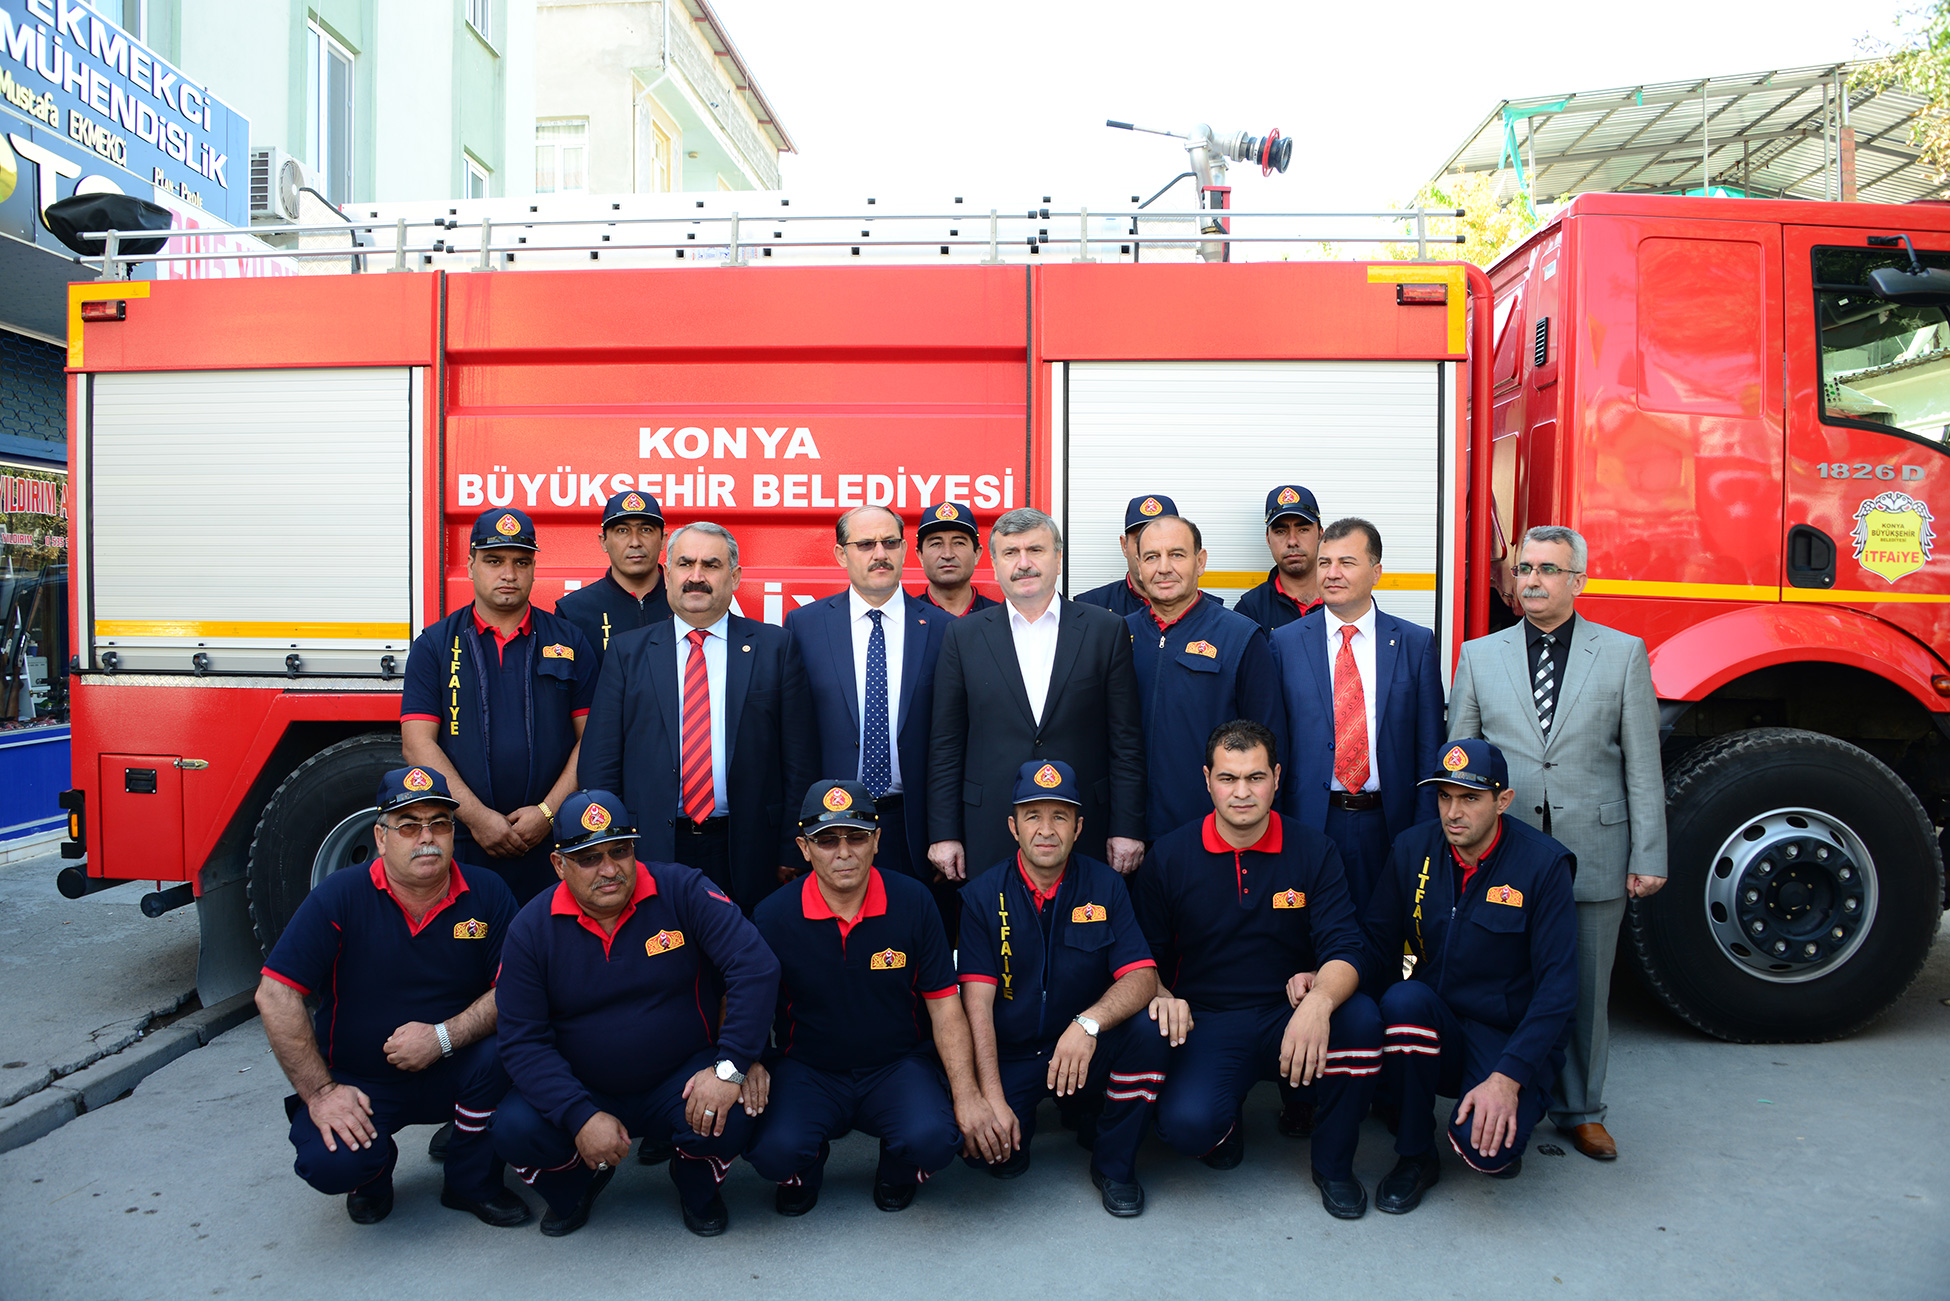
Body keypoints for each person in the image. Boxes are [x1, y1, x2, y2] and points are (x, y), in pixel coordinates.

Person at [1448, 524, 1666, 1164]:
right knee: (1506, 981)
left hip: (1594, 850)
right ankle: (1507, 1091)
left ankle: (1582, 1110)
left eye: (1548, 569)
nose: (1533, 581)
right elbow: (1461, 762)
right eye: (1524, 570)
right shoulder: (1479, 656)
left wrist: (1648, 853)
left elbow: (1642, 763)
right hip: (1503, 856)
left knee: (1585, 991)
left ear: (1578, 580)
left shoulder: (1623, 654)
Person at [491, 790, 780, 1238]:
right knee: (512, 1128)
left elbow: (755, 966)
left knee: (736, 1110)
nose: (609, 869)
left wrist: (731, 1066)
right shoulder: (531, 928)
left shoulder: (682, 888)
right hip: (585, 1083)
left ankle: (695, 1186)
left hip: (679, 1077)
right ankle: (576, 1183)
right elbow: (522, 1039)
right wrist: (578, 1116)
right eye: (587, 857)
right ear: (558, 864)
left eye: (619, 850)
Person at [1134, 719, 1383, 1220]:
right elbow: (1142, 956)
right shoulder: (1170, 857)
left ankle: (1333, 1166)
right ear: (1207, 779)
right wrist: (1161, 993)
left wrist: (1318, 1001)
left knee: (1360, 1019)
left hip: (1287, 1017)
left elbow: (1346, 948)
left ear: (1276, 777)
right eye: (1228, 778)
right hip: (1207, 1021)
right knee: (1186, 1127)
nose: (1241, 793)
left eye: (1255, 777)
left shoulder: (1315, 850)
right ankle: (1225, 1119)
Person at [255, 766, 525, 1228]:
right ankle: (373, 1173)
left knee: (513, 1060)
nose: (427, 837)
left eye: (439, 823)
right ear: (381, 838)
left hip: (458, 1065)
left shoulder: (488, 892)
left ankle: (470, 1181)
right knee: (332, 1163)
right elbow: (276, 992)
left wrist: (442, 1037)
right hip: (362, 1081)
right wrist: (321, 1094)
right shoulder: (339, 896)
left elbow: (516, 990)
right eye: (408, 825)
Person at [745, 780, 1007, 1214]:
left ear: (877, 840)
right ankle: (805, 1166)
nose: (843, 852)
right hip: (809, 1070)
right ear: (804, 849)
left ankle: (897, 1169)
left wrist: (968, 1095)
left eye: (856, 836)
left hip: (896, 1066)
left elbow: (944, 1007)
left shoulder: (914, 901)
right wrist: (749, 1062)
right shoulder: (772, 916)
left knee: (936, 1141)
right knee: (774, 1152)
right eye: (826, 840)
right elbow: (746, 1004)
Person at [1361, 739, 1578, 1212]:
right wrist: (1326, 981)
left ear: (1503, 800)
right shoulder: (1412, 848)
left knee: (1489, 1153)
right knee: (1403, 1000)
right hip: (1437, 1024)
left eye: (1470, 797)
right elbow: (1376, 944)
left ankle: (1503, 1108)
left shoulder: (1543, 865)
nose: (1453, 812)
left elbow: (1558, 991)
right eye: (1444, 796)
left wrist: (1509, 1077)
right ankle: (1415, 1155)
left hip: (1506, 1036)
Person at [958, 760, 1168, 1217]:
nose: (1046, 830)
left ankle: (1114, 1165)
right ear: (1014, 827)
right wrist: (991, 1096)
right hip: (1016, 1054)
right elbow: (976, 1006)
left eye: (1060, 816)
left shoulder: (1106, 885)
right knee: (991, 1156)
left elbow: (1141, 975)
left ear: (1079, 827)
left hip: (1085, 1047)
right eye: (1033, 816)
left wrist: (1087, 1024)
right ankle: (1049, 1112)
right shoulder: (980, 896)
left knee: (1150, 1033)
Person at [579, 521, 816, 913]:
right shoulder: (627, 653)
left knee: (745, 961)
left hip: (749, 849)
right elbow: (601, 763)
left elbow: (800, 761)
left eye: (711, 565)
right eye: (685, 564)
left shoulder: (775, 648)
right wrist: (609, 848)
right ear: (667, 574)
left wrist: (793, 845)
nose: (696, 577)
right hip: (650, 848)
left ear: (735, 576)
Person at [927, 507, 1146, 883]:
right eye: (1011, 553)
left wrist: (1127, 827)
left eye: (1036, 551)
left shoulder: (1105, 630)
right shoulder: (962, 637)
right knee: (998, 936)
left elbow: (1125, 741)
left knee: (1082, 934)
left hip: (1083, 826)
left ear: (1058, 558)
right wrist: (945, 833)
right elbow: (946, 744)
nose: (1023, 564)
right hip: (989, 825)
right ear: (994, 563)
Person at [401, 507, 598, 903]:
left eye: (521, 562)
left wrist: (546, 813)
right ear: (471, 565)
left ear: (533, 568)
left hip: (553, 842)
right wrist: (477, 818)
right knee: (469, 950)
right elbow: (417, 745)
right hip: (466, 840)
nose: (509, 574)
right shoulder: (436, 645)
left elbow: (593, 740)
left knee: (547, 952)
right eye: (494, 561)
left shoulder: (570, 641)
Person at [1273, 517, 1443, 911]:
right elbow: (1275, 741)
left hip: (1387, 823)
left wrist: (1420, 832)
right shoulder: (1283, 643)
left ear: (1376, 572)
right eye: (1324, 562)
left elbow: (1428, 744)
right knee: (1310, 935)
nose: (1332, 574)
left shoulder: (1415, 643)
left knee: (1382, 936)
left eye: (1346, 563)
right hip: (1311, 820)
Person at [785, 506, 949, 883]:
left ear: (905, 549)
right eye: (865, 544)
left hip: (914, 826)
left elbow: (953, 742)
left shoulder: (943, 629)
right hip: (831, 826)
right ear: (841, 554)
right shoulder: (805, 626)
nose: (880, 554)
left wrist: (946, 832)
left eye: (890, 543)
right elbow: (792, 740)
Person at [1125, 514, 1284, 841]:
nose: (1164, 567)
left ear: (1201, 562)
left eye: (1177, 555)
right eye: (1152, 557)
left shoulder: (1240, 637)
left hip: (1212, 835)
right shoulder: (1116, 636)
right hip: (1131, 836)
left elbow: (1269, 742)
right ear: (1138, 566)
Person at [554, 490, 671, 668]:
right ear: (603, 541)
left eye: (645, 530)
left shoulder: (690, 602)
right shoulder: (573, 611)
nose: (635, 542)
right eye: (622, 530)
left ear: (663, 540)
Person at [1235, 485, 1326, 634]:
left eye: (1303, 529)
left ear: (1320, 535)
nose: (1292, 541)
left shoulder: (1345, 598)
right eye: (1280, 531)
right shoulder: (1250, 609)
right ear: (1268, 539)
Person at [1073, 493, 1178, 617]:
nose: (1153, 550)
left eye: (1165, 539)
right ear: (1124, 545)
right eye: (1141, 540)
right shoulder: (1090, 606)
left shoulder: (1206, 612)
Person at [913, 501, 999, 616]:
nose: (947, 555)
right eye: (936, 544)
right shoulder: (905, 619)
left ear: (977, 554)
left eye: (958, 543)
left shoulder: (1002, 618)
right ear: (920, 555)